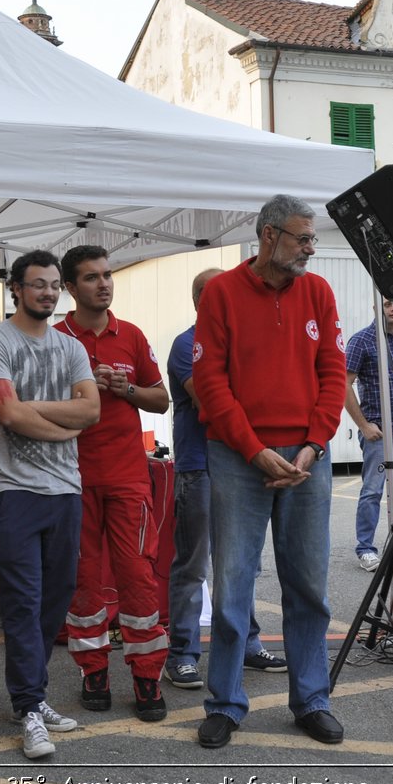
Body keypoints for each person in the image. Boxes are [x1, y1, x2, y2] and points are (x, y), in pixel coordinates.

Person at [191, 194, 345, 750]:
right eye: (303, 238)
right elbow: (211, 384)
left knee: (308, 585)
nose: (310, 247)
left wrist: (314, 445)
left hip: (306, 458)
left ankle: (312, 700)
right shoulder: (223, 294)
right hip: (239, 458)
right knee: (233, 585)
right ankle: (226, 703)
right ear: (268, 236)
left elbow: (333, 373)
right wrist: (255, 450)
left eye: (311, 239)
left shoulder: (318, 291)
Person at [0, 249, 99, 759]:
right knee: (23, 602)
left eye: (53, 285)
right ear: (16, 289)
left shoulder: (70, 348)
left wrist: (33, 412)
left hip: (65, 491)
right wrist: (57, 424)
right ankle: (28, 707)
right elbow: (6, 413)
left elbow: (90, 410)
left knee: (55, 599)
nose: (48, 293)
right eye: (38, 285)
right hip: (14, 491)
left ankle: (34, 693)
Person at [56, 246, 172, 722]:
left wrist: (126, 390)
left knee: (138, 578)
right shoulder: (56, 338)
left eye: (107, 276)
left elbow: (161, 400)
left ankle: (147, 677)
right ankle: (93, 671)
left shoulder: (133, 335)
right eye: (91, 278)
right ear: (70, 287)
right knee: (82, 582)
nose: (103, 284)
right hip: (71, 478)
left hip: (127, 479)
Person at [163, 268, 286, 692]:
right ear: (204, 298)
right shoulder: (186, 344)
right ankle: (182, 654)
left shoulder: (236, 338)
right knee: (195, 564)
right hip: (201, 467)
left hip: (240, 466)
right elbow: (213, 401)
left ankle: (247, 644)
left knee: (241, 565)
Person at [343, 297, 393, 572]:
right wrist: (364, 425)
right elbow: (344, 384)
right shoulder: (361, 341)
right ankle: (366, 548)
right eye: (388, 303)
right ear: (376, 307)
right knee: (373, 490)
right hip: (379, 428)